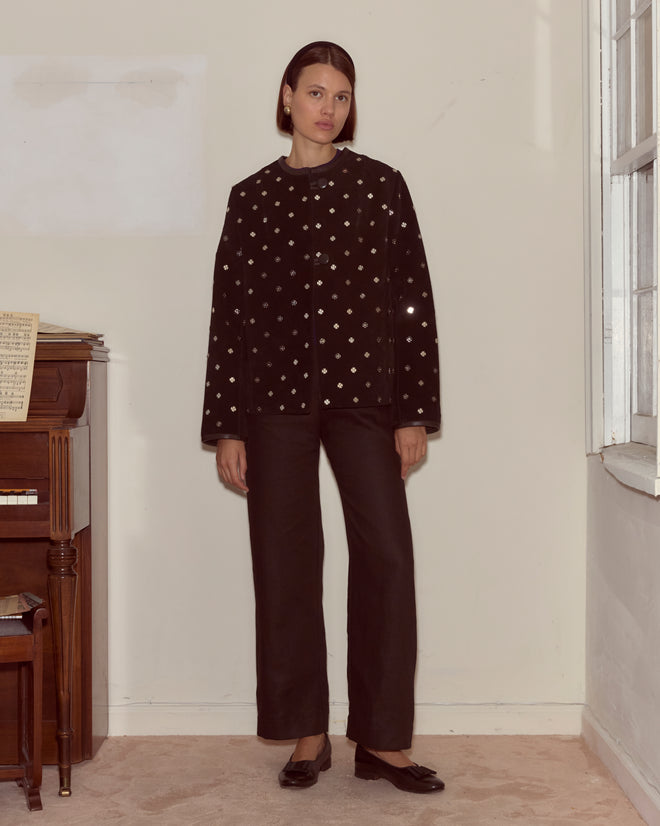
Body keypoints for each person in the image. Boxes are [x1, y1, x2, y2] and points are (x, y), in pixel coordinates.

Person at [201, 41, 443, 794]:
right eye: (315, 92)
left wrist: (414, 410)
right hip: (271, 402)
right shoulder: (251, 198)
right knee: (285, 563)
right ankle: (308, 732)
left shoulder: (381, 187)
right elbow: (229, 315)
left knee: (387, 557)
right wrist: (228, 425)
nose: (328, 108)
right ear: (286, 98)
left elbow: (413, 300)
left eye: (340, 95)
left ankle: (383, 739)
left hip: (365, 397)